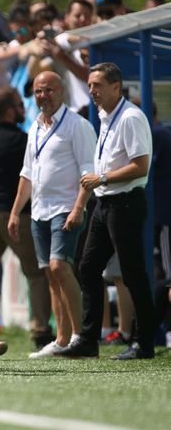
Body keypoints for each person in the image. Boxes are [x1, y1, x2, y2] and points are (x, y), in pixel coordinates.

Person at [62, 62, 156, 360]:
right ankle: (89, 340)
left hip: (125, 201)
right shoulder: (106, 116)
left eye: (98, 85)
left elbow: (140, 166)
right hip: (105, 202)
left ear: (117, 87)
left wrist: (100, 178)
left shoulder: (130, 117)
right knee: (88, 267)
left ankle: (144, 343)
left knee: (132, 273)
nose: (92, 91)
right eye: (90, 85)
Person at [9, 71, 96, 359]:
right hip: (38, 211)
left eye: (48, 90)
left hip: (65, 208)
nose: (43, 96)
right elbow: (26, 174)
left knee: (60, 267)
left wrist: (79, 207)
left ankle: (82, 337)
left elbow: (88, 173)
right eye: (38, 91)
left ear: (61, 92)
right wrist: (15, 212)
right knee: (49, 273)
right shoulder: (34, 127)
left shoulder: (77, 125)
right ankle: (61, 338)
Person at [0, 87, 52, 349]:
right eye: (21, 105)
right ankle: (41, 330)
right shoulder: (23, 141)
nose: (24, 109)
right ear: (10, 109)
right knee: (36, 274)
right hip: (15, 216)